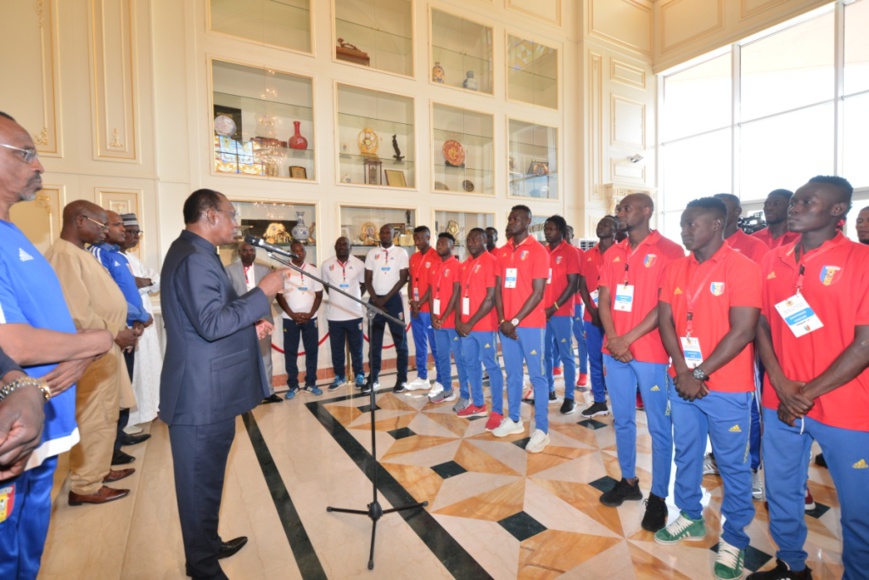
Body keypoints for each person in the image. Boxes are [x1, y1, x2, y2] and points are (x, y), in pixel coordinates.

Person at [0, 111, 113, 578]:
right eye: (25, 153)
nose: (39, 163)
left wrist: (85, 350)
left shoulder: (13, 235)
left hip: (43, 431)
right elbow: (14, 342)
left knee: (27, 559)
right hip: (15, 435)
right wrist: (98, 338)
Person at [160, 189, 286, 579]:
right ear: (211, 215)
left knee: (209, 478)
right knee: (197, 484)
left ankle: (207, 543)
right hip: (200, 394)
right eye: (232, 215)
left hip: (212, 391)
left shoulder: (199, 253)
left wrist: (251, 319)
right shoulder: (195, 259)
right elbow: (211, 324)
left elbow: (213, 314)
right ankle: (201, 566)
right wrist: (263, 293)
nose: (236, 223)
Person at [749, 176, 869, 580]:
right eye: (794, 201)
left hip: (847, 406)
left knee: (858, 509)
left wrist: (805, 392)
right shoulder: (773, 259)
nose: (794, 207)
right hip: (780, 398)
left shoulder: (862, 261)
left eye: (806, 201)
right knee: (782, 491)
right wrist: (782, 385)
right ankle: (791, 565)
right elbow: (761, 324)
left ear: (838, 212)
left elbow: (865, 344)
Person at [655, 197, 761, 580]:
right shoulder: (675, 267)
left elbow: (744, 330)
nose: (684, 231)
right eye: (682, 224)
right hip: (682, 381)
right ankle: (689, 516)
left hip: (727, 386)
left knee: (733, 466)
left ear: (717, 224)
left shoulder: (743, 268)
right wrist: (683, 370)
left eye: (691, 224)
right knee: (686, 453)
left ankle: (734, 538)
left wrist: (697, 374)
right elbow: (666, 319)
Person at [597, 193, 684, 532]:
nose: (620, 212)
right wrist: (614, 338)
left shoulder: (670, 251)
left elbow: (665, 306)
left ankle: (659, 496)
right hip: (615, 350)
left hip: (650, 352)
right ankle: (629, 481)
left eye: (626, 208)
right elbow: (604, 299)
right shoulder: (613, 252)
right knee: (622, 421)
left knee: (659, 427)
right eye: (619, 208)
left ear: (647, 211)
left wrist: (627, 339)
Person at [45, 201, 140, 505]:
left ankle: (98, 469)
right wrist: (114, 332)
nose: (103, 231)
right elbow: (75, 314)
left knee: (105, 413)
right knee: (94, 416)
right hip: (92, 349)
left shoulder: (78, 253)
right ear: (79, 220)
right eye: (100, 225)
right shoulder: (63, 256)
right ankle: (86, 485)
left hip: (103, 347)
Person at [710, 194, 767, 500]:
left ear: (735, 213)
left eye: (727, 207)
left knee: (750, 408)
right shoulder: (703, 249)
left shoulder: (755, 247)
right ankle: (718, 458)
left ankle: (753, 466)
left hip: (743, 340)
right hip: (708, 342)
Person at [90, 210, 153, 459]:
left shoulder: (117, 255)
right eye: (118, 226)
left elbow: (128, 290)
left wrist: (136, 320)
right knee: (112, 391)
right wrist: (137, 316)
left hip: (129, 328)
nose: (124, 231)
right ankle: (110, 450)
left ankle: (120, 434)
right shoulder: (98, 254)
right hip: (116, 331)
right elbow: (109, 295)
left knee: (124, 385)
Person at [493, 205, 550, 453]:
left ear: (528, 221)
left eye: (516, 218)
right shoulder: (501, 252)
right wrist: (503, 320)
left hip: (529, 325)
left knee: (537, 377)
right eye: (509, 217)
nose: (511, 221)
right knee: (513, 375)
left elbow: (538, 293)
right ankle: (514, 419)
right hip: (506, 326)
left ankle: (542, 430)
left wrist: (513, 321)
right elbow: (497, 290)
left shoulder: (538, 252)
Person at [456, 228, 503, 427]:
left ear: (485, 240)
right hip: (466, 327)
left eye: (476, 238)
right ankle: (477, 404)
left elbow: (490, 298)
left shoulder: (491, 261)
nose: (471, 242)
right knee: (471, 365)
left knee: (491, 366)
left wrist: (469, 322)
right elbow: (459, 294)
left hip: (483, 325)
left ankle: (498, 411)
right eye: (469, 239)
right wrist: (458, 319)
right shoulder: (464, 264)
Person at [120, 213, 164, 426]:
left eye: (138, 233)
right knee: (132, 373)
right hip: (130, 324)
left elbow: (156, 280)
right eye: (131, 232)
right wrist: (137, 283)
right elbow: (126, 286)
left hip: (144, 320)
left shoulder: (133, 259)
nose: (135, 236)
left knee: (146, 367)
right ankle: (130, 420)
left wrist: (141, 282)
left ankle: (148, 410)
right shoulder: (110, 258)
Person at [226, 241, 281, 403]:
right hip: (240, 321)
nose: (249, 253)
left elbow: (271, 293)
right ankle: (242, 392)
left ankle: (268, 392)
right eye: (245, 250)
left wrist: (258, 313)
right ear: (240, 252)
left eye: (252, 250)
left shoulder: (265, 270)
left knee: (265, 357)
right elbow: (228, 295)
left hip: (262, 319)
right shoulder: (229, 270)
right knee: (241, 358)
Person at [578, 216, 618, 418]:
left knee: (614, 363)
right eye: (599, 223)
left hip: (616, 318)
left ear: (616, 229)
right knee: (595, 359)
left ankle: (619, 405)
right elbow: (582, 286)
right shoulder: (588, 255)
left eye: (606, 224)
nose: (601, 226)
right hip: (591, 316)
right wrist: (593, 310)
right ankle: (599, 401)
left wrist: (607, 314)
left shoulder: (623, 253)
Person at [363, 225, 409, 394]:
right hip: (375, 301)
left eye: (387, 232)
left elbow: (403, 278)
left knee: (400, 342)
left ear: (393, 235)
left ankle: (402, 379)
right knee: (374, 343)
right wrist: (376, 299)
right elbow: (367, 279)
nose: (384, 235)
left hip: (394, 301)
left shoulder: (401, 253)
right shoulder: (371, 253)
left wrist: (385, 299)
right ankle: (373, 378)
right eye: (382, 232)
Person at [543, 216, 581, 414]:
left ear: (561, 231)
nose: (547, 232)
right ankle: (549, 390)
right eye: (546, 229)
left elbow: (572, 284)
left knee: (566, 355)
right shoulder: (543, 252)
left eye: (551, 229)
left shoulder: (570, 252)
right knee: (546, 353)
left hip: (561, 312)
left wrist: (554, 306)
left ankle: (570, 397)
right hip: (542, 313)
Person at [276, 241, 323, 399]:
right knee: (291, 353)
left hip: (311, 318)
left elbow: (318, 295)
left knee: (312, 352)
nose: (299, 253)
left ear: (305, 252)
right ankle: (293, 385)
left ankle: (311, 383)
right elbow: (279, 295)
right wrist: (292, 314)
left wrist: (310, 314)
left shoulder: (313, 271)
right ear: (290, 253)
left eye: (301, 250)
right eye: (295, 251)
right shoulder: (283, 270)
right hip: (290, 319)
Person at [427, 233, 468, 409]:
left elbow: (455, 294)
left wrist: (443, 317)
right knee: (442, 357)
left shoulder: (457, 266)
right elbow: (430, 292)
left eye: (444, 242)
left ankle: (465, 395)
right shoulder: (434, 265)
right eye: (438, 242)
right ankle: (447, 389)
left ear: (452, 246)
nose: (439, 245)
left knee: (460, 359)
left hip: (451, 322)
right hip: (437, 322)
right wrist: (433, 316)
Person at [321, 236, 367, 391]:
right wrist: (337, 298)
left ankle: (359, 374)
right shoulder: (326, 265)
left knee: (357, 348)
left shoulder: (359, 264)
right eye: (339, 244)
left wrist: (355, 298)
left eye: (345, 244)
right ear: (335, 247)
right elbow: (326, 286)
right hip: (335, 316)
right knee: (337, 349)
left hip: (354, 314)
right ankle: (339, 376)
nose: (342, 247)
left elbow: (364, 284)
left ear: (350, 247)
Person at [407, 226, 440, 393]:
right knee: (419, 344)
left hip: (429, 309)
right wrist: (412, 301)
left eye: (420, 238)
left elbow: (433, 285)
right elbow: (411, 280)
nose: (417, 242)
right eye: (415, 239)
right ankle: (422, 377)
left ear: (428, 237)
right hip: (415, 309)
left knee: (435, 345)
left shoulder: (436, 256)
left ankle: (441, 379)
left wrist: (420, 303)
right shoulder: (413, 257)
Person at [714, 194, 770, 263]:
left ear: (737, 211)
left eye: (722, 208)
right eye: (712, 210)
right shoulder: (704, 246)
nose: (715, 214)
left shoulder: (755, 246)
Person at [566, 225, 589, 390]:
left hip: (576, 303)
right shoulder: (550, 252)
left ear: (572, 235)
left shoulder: (580, 254)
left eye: (567, 233)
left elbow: (582, 281)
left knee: (580, 338)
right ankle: (556, 367)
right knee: (556, 340)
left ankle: (583, 372)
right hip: (558, 306)